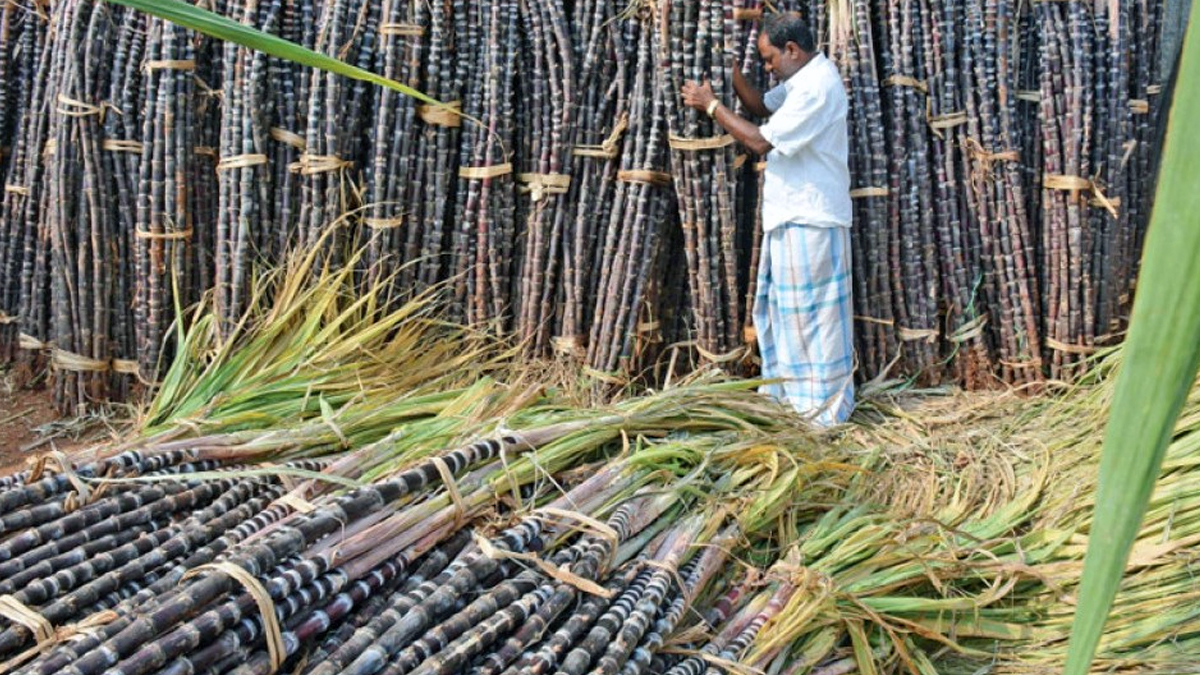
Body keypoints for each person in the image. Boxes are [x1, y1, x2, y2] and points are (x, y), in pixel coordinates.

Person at [681, 11, 855, 427]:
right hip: (794, 216)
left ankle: (822, 413)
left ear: (792, 49)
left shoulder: (818, 87)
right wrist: (733, 68)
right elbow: (759, 105)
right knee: (787, 317)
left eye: (769, 58)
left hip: (812, 219)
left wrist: (711, 106)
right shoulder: (802, 81)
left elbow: (759, 140)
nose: (768, 67)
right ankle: (796, 404)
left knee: (814, 321)